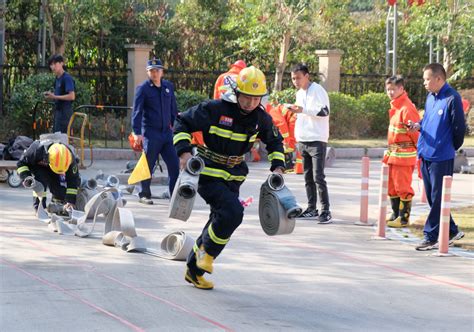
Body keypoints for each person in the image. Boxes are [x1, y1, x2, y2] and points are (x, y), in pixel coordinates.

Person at [173, 66, 285, 290]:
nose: (250, 104)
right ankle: (208, 253)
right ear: (237, 93)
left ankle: (193, 270)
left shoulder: (260, 118)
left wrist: (278, 167)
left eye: (255, 99)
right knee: (233, 213)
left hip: (234, 175)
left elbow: (275, 141)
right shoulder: (215, 109)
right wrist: (184, 153)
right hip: (209, 172)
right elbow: (182, 122)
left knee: (220, 217)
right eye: (246, 98)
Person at [407, 63, 465, 250]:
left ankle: (430, 236)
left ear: (439, 79)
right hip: (426, 152)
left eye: (427, 79)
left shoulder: (452, 98)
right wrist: (417, 125)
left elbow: (459, 129)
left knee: (438, 197)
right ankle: (452, 230)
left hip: (442, 156)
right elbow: (428, 120)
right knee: (434, 198)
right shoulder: (431, 97)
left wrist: (449, 147)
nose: (424, 83)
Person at [286, 63, 332, 223]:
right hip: (303, 140)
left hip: (317, 139)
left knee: (318, 176)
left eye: (298, 78)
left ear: (307, 76)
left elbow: (324, 111)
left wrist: (302, 110)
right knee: (307, 177)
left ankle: (326, 211)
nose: (295, 81)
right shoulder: (299, 93)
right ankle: (312, 208)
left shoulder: (318, 90)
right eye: (293, 78)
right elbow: (301, 113)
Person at [131, 59, 180, 205]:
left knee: (174, 165)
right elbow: (137, 111)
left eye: (157, 70)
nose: (155, 73)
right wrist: (137, 132)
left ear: (162, 72)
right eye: (152, 70)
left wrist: (177, 128)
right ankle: (144, 194)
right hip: (151, 133)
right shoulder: (143, 88)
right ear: (148, 72)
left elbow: (173, 109)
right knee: (147, 165)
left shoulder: (168, 87)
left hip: (167, 133)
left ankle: (174, 195)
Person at [383, 75, 420, 228]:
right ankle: (395, 213)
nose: (390, 92)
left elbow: (415, 133)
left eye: (393, 89)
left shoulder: (406, 108)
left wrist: (421, 151)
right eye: (388, 89)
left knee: (403, 186)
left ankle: (403, 218)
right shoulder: (397, 107)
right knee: (392, 187)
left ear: (401, 89)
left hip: (403, 156)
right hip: (394, 154)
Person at [191, 60, 248, 147]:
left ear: (232, 67)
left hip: (222, 111)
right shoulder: (244, 80)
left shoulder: (222, 77)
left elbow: (216, 96)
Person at [17, 141, 80, 213]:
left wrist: (70, 201)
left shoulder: (69, 158)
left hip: (56, 167)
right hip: (39, 166)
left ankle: (58, 203)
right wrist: (26, 177)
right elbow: (21, 164)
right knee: (41, 183)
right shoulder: (36, 149)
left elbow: (73, 180)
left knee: (60, 190)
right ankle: (39, 207)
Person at [44, 55, 76, 134]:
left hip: (65, 112)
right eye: (51, 65)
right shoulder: (57, 79)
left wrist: (54, 96)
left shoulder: (67, 78)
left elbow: (72, 96)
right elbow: (58, 94)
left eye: (55, 64)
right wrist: (51, 95)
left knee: (64, 138)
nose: (53, 67)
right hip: (58, 111)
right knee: (57, 136)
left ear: (61, 63)